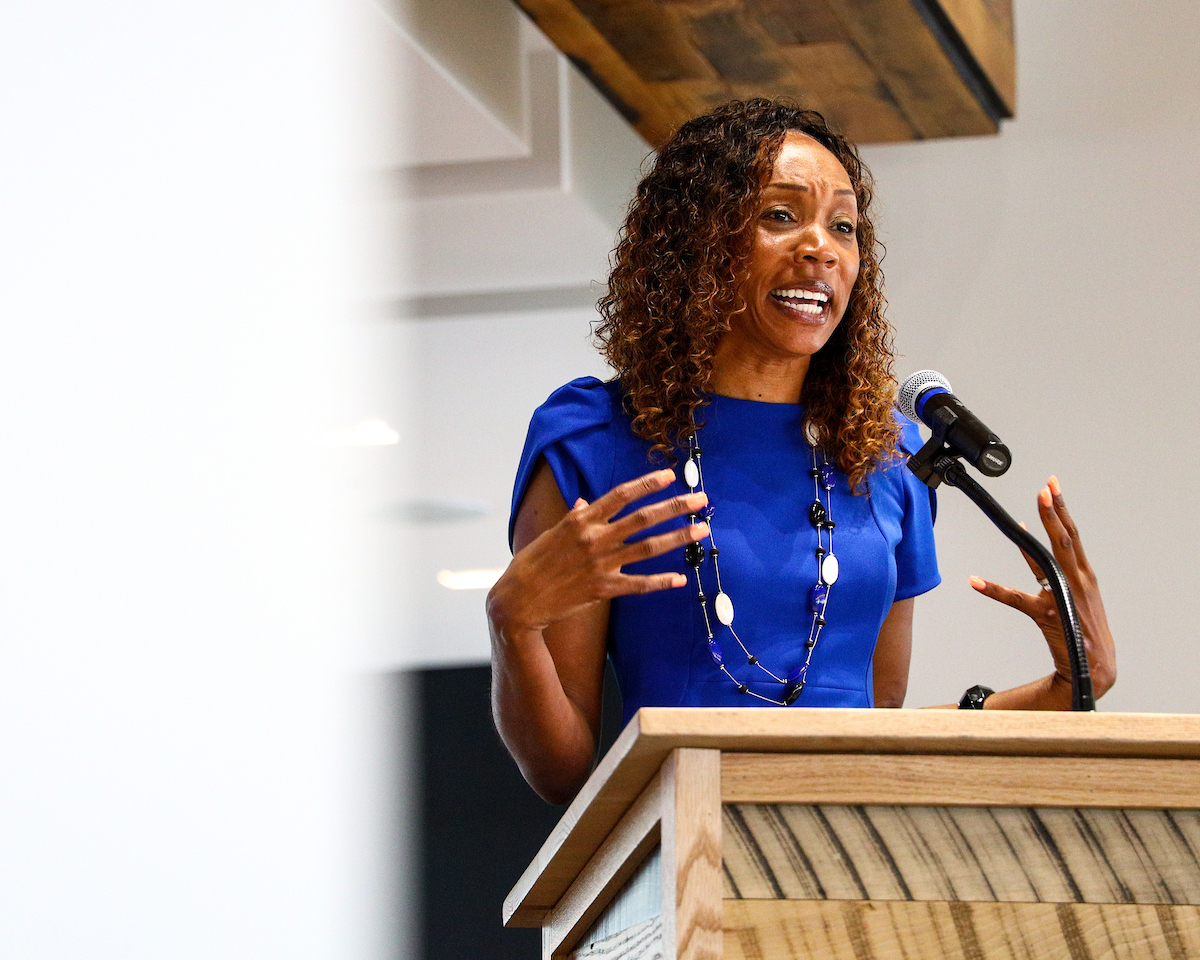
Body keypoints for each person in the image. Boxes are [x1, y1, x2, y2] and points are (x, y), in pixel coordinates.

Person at [486, 100, 1116, 804]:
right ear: (696, 243)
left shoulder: (887, 457)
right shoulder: (597, 439)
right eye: (781, 216)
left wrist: (1067, 687)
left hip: (849, 848)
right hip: (683, 840)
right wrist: (513, 622)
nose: (821, 249)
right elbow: (561, 772)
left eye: (843, 226)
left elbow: (871, 737)